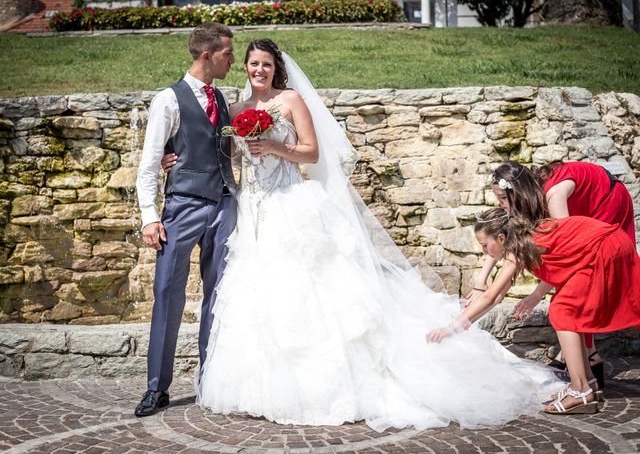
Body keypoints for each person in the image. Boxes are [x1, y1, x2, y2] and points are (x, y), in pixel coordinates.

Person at [186, 39, 564, 432]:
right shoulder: (237, 110)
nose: (258, 70)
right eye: (252, 64)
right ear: (245, 67)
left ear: (275, 68)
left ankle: (320, 389)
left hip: (289, 206)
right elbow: (229, 159)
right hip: (253, 212)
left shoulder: (291, 100)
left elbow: (312, 153)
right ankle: (259, 389)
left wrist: (276, 149)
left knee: (305, 294)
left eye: (265, 64)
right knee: (257, 298)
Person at [428, 208, 640, 414]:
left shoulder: (518, 249)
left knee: (563, 310)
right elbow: (497, 295)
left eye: (484, 245)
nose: (485, 252)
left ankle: (580, 390)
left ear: (501, 238)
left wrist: (452, 328)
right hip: (607, 244)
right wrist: (469, 314)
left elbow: (490, 296)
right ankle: (588, 382)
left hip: (606, 247)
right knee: (568, 309)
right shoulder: (522, 240)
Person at [134, 22, 238, 417]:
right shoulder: (169, 100)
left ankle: (209, 380)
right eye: (228, 53)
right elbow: (148, 165)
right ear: (208, 55)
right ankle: (157, 388)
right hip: (183, 206)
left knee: (219, 297)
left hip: (225, 205)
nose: (233, 59)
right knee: (167, 294)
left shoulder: (222, 99)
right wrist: (148, 217)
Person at [471, 161, 636, 387]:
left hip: (608, 203)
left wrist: (536, 295)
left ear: (516, 193)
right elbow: (502, 242)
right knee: (568, 298)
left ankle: (584, 360)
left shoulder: (553, 197)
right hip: (588, 222)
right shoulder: (528, 203)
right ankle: (585, 362)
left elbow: (569, 254)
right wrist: (482, 280)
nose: (500, 205)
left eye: (502, 198)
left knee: (575, 294)